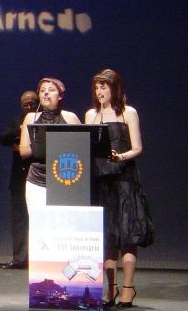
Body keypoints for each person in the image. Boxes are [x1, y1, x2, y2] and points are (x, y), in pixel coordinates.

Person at [85, 69, 153, 308]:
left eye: (103, 87)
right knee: (107, 236)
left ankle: (128, 288)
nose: (99, 91)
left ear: (114, 88)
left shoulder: (128, 112)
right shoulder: (91, 114)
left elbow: (138, 148)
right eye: (96, 87)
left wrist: (120, 157)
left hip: (124, 179)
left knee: (127, 233)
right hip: (101, 180)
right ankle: (111, 287)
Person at [19, 77, 81, 209]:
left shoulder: (70, 117)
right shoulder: (31, 118)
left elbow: (82, 149)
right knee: (38, 220)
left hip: (66, 178)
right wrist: (48, 143)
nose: (46, 93)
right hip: (37, 180)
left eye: (51, 90)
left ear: (60, 96)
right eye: (42, 90)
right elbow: (24, 151)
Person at [0, 90, 38, 269]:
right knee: (19, 219)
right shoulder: (17, 121)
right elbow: (3, 138)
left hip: (39, 176)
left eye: (32, 104)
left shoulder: (44, 121)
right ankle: (19, 258)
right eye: (25, 104)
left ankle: (39, 258)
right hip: (19, 178)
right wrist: (21, 129)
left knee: (39, 219)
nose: (29, 107)